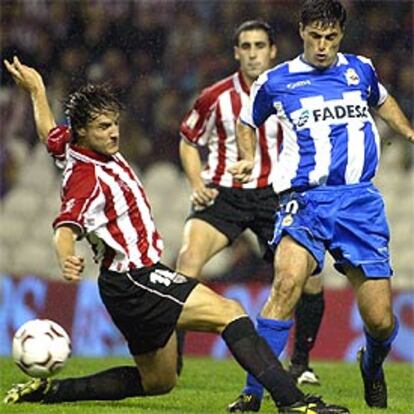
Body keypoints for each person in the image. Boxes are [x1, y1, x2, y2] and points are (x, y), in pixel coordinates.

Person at [3, 57, 349, 414]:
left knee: (158, 381)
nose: (114, 133)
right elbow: (66, 225)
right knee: (230, 312)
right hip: (135, 279)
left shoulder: (73, 148)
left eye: (115, 124)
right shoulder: (85, 177)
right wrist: (65, 255)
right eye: (104, 127)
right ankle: (293, 403)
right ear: (82, 132)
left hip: (122, 287)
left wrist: (37, 90)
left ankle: (50, 392)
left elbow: (48, 133)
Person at [229, 0, 414, 410]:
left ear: (341, 36)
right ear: (301, 32)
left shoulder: (360, 70)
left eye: (330, 37)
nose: (322, 45)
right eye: (315, 36)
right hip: (304, 201)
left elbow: (383, 102)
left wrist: (409, 132)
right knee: (286, 284)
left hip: (358, 203)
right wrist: (247, 157)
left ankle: (371, 364)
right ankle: (251, 393)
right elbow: (247, 121)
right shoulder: (277, 81)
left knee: (381, 321)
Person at [177, 21, 325, 411]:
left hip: (275, 196)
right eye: (246, 46)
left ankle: (302, 363)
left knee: (308, 281)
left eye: (260, 45)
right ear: (236, 53)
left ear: (273, 51)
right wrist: (197, 182)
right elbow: (188, 141)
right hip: (224, 194)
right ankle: (169, 357)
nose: (253, 52)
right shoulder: (215, 96)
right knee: (186, 263)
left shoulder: (292, 88)